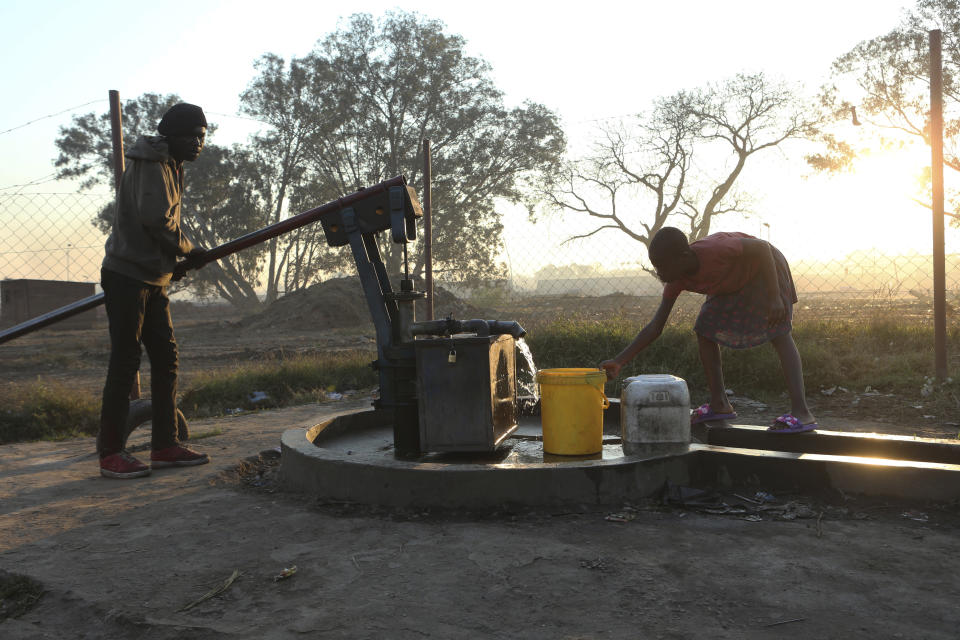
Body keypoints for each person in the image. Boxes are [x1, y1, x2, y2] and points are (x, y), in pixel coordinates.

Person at [600, 227, 817, 433]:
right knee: (705, 328)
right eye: (656, 267)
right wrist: (619, 361)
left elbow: (762, 248)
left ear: (684, 256)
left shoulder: (715, 250)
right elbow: (656, 326)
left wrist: (774, 296)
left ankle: (802, 412)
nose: (660, 273)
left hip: (764, 268)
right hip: (732, 281)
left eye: (663, 266)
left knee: (778, 330)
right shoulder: (676, 280)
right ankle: (719, 402)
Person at [97, 103, 211, 478]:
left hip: (151, 277)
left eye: (203, 136)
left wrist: (170, 263)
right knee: (126, 361)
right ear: (172, 137)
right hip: (127, 275)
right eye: (192, 136)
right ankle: (111, 452)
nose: (199, 143)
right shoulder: (151, 163)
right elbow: (155, 219)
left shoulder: (171, 165)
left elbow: (158, 227)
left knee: (166, 358)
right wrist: (189, 250)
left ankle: (165, 445)